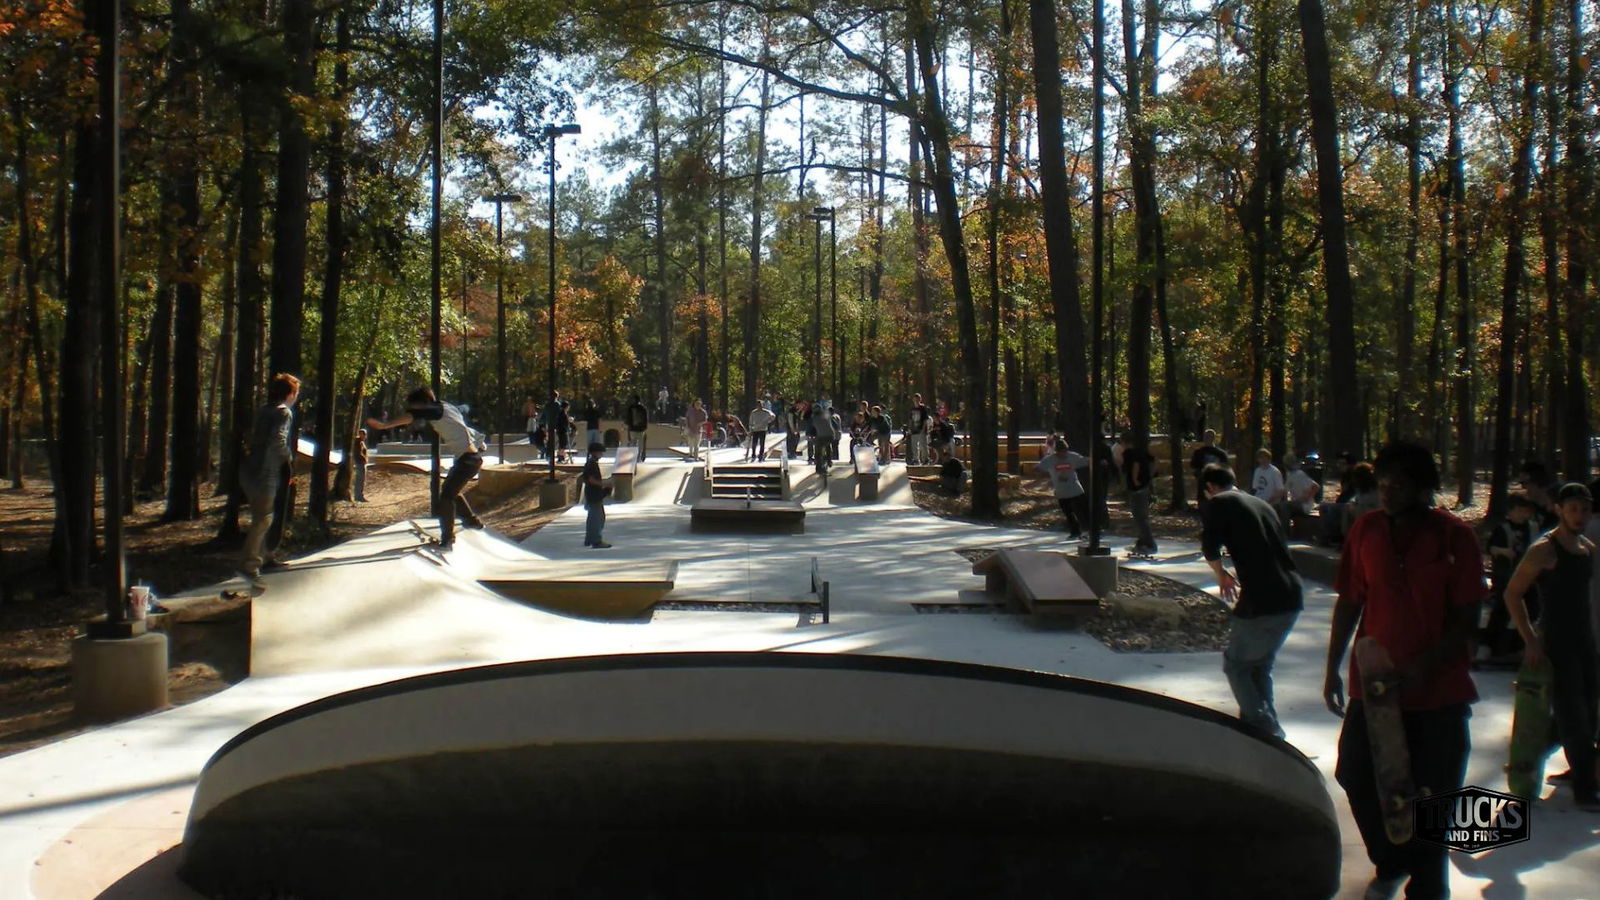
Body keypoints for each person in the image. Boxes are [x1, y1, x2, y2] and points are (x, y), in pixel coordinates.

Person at [1324, 441, 1482, 899]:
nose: (1388, 493)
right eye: (1383, 484)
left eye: (1399, 485)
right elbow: (1351, 599)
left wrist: (1421, 668)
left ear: (1423, 487)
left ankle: (1428, 884)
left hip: (1439, 695)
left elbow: (1466, 620)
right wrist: (1333, 665)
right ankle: (1391, 861)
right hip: (1373, 689)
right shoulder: (1366, 530)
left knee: (1432, 800)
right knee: (1354, 772)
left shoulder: (1455, 538)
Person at [1503, 482, 1597, 809]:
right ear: (1559, 509)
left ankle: (1526, 758)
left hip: (1585, 640)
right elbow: (1512, 594)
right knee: (1575, 718)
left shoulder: (1587, 547)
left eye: (1584, 509)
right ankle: (1586, 789)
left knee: (1590, 713)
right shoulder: (1545, 549)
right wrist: (1530, 640)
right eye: (1572, 509)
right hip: (1555, 642)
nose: (1579, 515)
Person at [1199, 464, 1303, 740]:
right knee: (1259, 665)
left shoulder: (1219, 502)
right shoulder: (1261, 504)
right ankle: (1266, 726)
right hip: (1292, 594)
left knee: (1236, 665)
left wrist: (1221, 574)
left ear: (1210, 487)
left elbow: (1208, 545)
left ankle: (1262, 728)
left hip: (1261, 598)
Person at [368, 387, 485, 549]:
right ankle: (472, 521)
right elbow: (462, 409)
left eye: (416, 407)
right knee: (450, 491)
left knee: (446, 497)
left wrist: (385, 426)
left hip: (468, 461)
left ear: (424, 403)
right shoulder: (446, 406)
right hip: (468, 459)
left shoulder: (435, 410)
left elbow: (413, 416)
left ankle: (448, 537)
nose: (416, 412)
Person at [239, 373, 299, 581]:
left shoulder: (263, 410)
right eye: (295, 393)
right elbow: (278, 440)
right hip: (266, 472)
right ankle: (250, 566)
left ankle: (266, 557)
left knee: (264, 516)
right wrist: (288, 459)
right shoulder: (284, 413)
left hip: (249, 470)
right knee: (263, 519)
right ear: (290, 393)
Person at [1480, 493, 1541, 663]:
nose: (1523, 514)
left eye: (1525, 511)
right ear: (1510, 511)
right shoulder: (1503, 528)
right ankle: (1489, 646)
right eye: (1519, 510)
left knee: (1532, 610)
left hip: (1529, 576)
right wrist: (1503, 551)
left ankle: (1523, 646)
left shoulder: (1533, 527)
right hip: (1506, 576)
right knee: (1502, 610)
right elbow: (1491, 548)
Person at [1033, 437, 1089, 539]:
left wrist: (1100, 462)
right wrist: (1044, 474)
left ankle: (1090, 530)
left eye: (1064, 452)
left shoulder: (1072, 457)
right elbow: (1037, 468)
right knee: (1069, 513)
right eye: (1060, 452)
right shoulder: (1050, 460)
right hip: (1062, 492)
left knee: (1083, 510)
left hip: (1076, 490)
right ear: (1056, 451)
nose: (1063, 454)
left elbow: (1086, 461)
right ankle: (1075, 532)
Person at [1122, 431, 1156, 554]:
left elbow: (1135, 465)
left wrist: (1135, 479)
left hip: (1136, 488)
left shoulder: (1128, 453)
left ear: (1124, 442)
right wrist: (1149, 477)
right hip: (1145, 486)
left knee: (1139, 517)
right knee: (1143, 516)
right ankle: (1141, 542)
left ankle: (1149, 544)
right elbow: (1153, 462)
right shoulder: (1141, 451)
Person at [580, 441, 612, 548]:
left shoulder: (590, 463)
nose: (601, 455)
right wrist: (604, 483)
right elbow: (591, 479)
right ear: (595, 452)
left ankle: (589, 539)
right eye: (600, 453)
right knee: (597, 518)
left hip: (592, 494)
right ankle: (596, 541)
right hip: (594, 494)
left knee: (594, 517)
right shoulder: (592, 464)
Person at [1189, 430, 1228, 512]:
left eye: (1210, 437)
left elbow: (1225, 468)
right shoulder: (1198, 453)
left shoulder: (1221, 454)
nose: (1208, 439)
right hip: (1203, 484)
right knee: (1203, 507)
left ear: (1214, 438)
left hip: (1217, 484)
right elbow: (1193, 466)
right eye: (1206, 437)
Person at [1282, 454, 1319, 531]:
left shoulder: (1300, 474)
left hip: (1304, 505)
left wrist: (1306, 498)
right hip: (1296, 503)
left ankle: (1285, 531)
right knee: (1281, 506)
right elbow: (1285, 491)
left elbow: (1316, 487)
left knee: (1285, 507)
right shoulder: (1289, 475)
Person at [810, 400, 839, 475]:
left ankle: (819, 468)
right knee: (827, 444)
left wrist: (810, 435)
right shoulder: (827, 414)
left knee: (818, 451)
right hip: (831, 436)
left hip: (821, 436)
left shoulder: (813, 418)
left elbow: (811, 429)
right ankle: (829, 460)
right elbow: (836, 425)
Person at [906, 393, 931, 465]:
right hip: (914, 430)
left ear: (920, 399)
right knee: (914, 446)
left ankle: (925, 459)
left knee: (923, 445)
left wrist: (923, 429)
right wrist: (909, 428)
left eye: (918, 399)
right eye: (915, 399)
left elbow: (925, 420)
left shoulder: (923, 408)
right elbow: (910, 419)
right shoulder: (912, 409)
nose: (916, 400)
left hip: (921, 430)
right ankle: (916, 459)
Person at [626, 393, 650, 460]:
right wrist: (645, 427)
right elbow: (646, 419)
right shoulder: (642, 408)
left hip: (636, 429)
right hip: (638, 429)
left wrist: (628, 430)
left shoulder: (632, 408)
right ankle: (636, 457)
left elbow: (628, 420)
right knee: (639, 445)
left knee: (635, 444)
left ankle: (636, 457)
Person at [352, 428, 369, 503]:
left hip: (361, 463)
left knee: (361, 480)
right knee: (359, 480)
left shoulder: (361, 442)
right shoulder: (358, 442)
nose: (365, 436)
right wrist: (364, 459)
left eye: (365, 434)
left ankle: (359, 495)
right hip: (360, 463)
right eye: (363, 434)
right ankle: (358, 496)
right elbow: (358, 453)